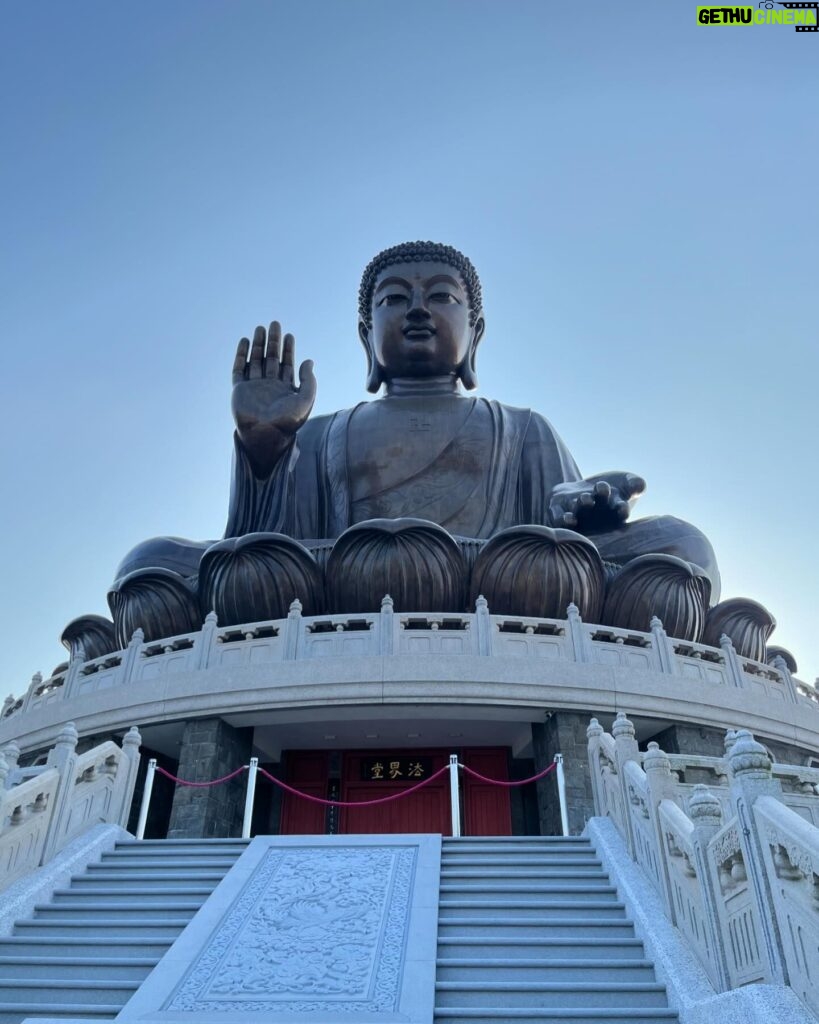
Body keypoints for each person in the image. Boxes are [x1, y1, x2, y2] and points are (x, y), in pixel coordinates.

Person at [114, 240, 719, 604]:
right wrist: (264, 447)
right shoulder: (322, 432)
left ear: (474, 332)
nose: (419, 309)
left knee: (684, 546)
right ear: (365, 336)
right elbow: (266, 546)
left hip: (505, 587)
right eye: (395, 298)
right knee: (148, 562)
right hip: (336, 586)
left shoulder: (523, 427)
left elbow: (565, 545)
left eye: (442, 297)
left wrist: (583, 507)